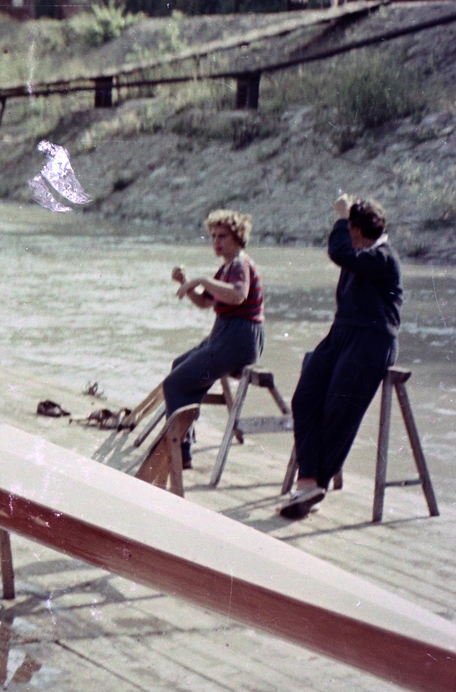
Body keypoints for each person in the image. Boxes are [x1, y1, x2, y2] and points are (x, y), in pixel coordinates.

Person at [281, 196, 402, 519]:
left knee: (340, 411)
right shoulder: (360, 255)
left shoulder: (383, 257)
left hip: (372, 339)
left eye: (348, 227)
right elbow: (344, 255)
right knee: (305, 398)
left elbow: (338, 251)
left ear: (356, 230)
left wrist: (339, 217)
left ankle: (311, 485)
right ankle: (309, 478)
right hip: (342, 333)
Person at [161, 210, 266, 468]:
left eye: (223, 236)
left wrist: (201, 280)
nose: (217, 242)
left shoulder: (241, 264)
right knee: (180, 366)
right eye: (213, 236)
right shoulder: (226, 268)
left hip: (239, 338)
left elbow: (238, 296)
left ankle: (179, 450)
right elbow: (205, 303)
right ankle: (183, 437)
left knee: (174, 384)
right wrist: (187, 283)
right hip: (225, 335)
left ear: (238, 238)